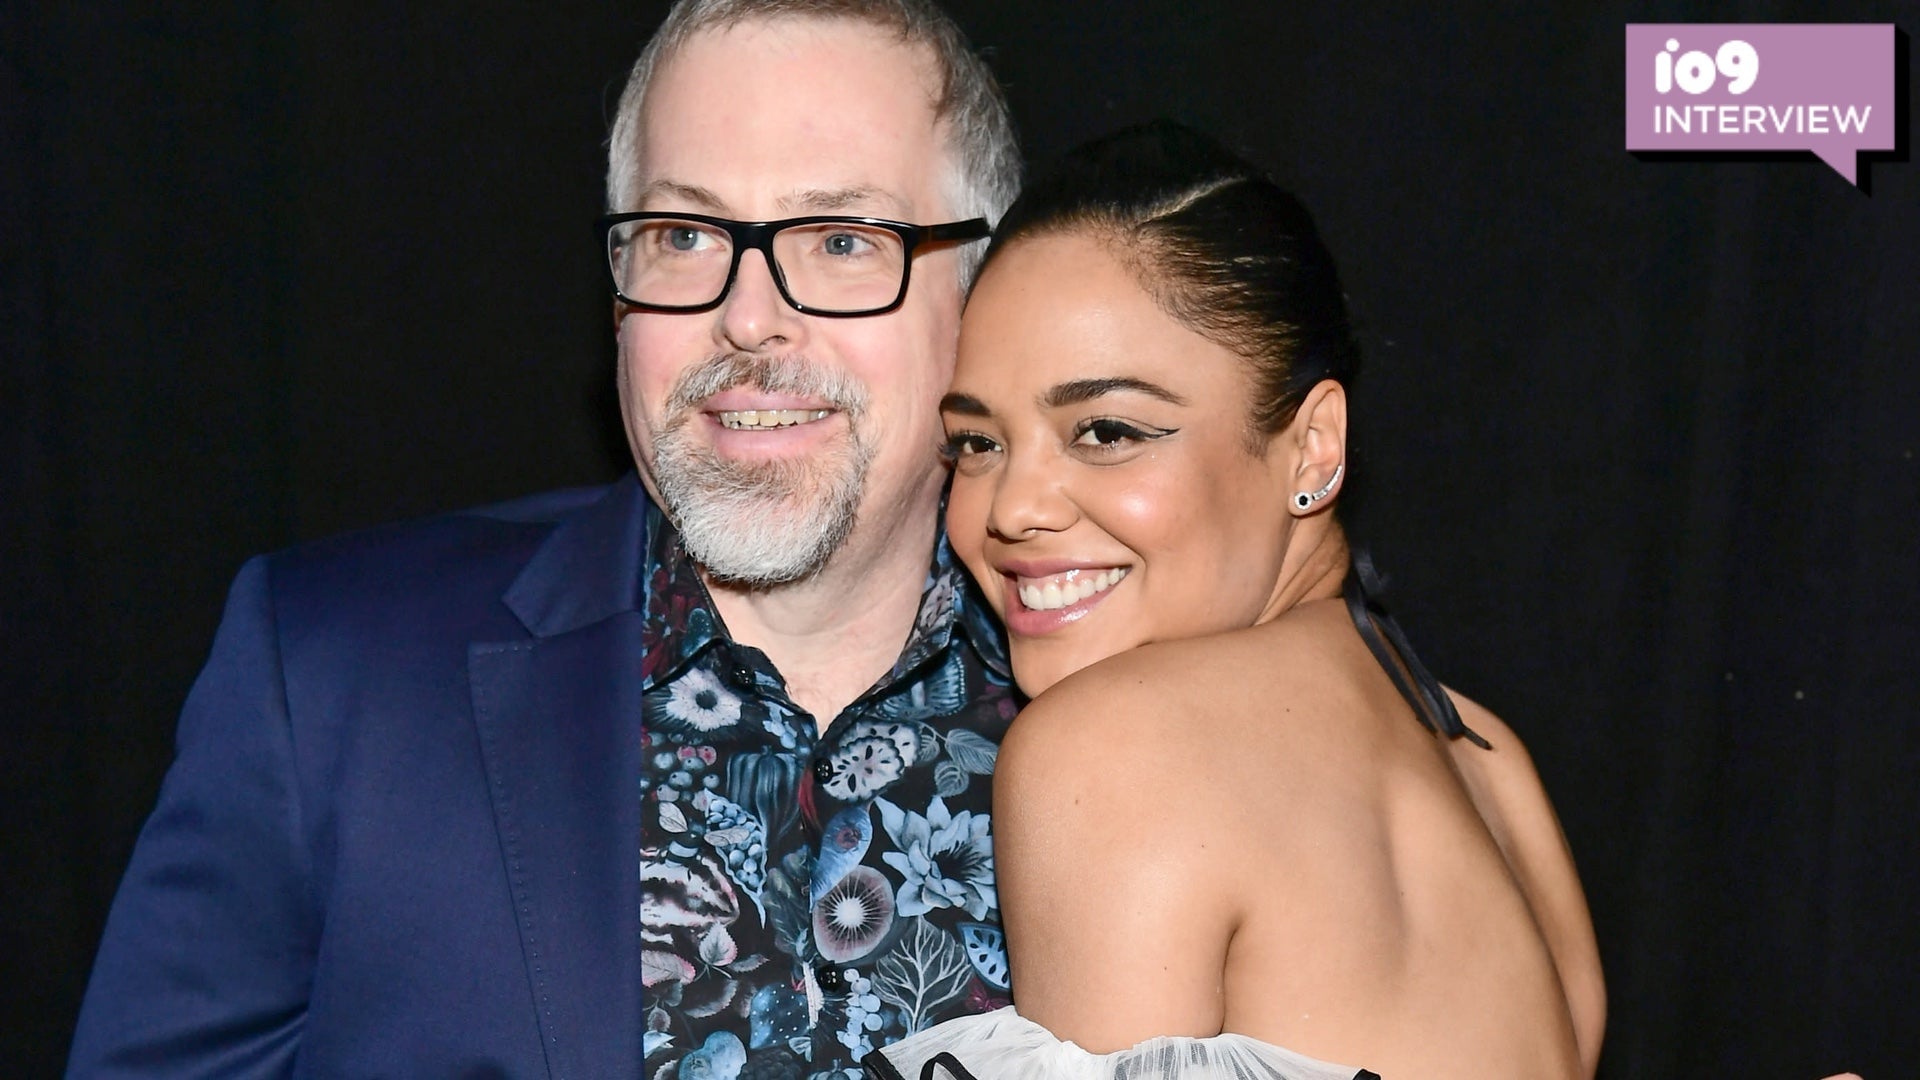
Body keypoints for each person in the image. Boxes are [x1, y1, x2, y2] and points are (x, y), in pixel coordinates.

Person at [67, 2, 1022, 1077]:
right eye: (684, 236)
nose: (749, 316)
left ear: (980, 294)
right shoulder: (329, 679)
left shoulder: (1142, 705)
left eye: (844, 241)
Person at [865, 121, 1607, 1080]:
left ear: (1313, 448)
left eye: (1106, 430)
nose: (1011, 509)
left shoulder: (1113, 744)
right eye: (977, 443)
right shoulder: (1492, 763)